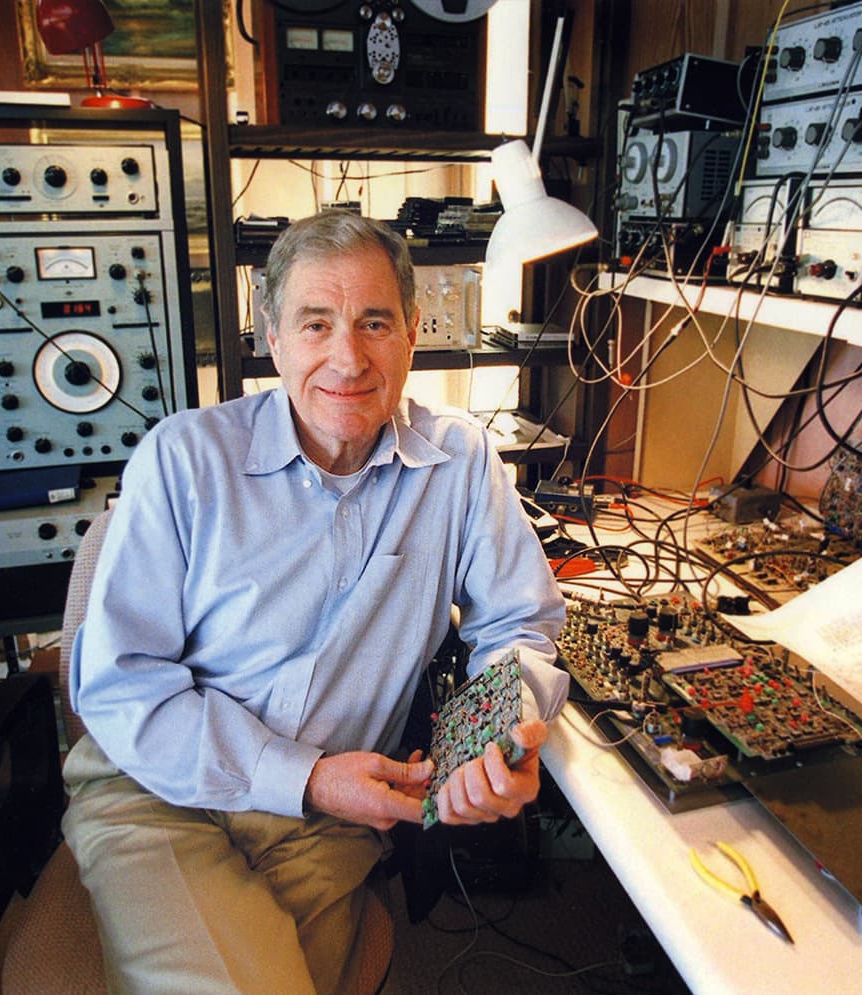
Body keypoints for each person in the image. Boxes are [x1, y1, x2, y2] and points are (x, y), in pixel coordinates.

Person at [62, 210, 569, 994]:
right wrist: (307, 775)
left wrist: (491, 730)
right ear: (273, 336)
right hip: (158, 790)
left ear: (411, 333)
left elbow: (520, 623)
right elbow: (122, 683)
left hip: (329, 823)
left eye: (375, 323)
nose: (348, 356)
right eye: (316, 323)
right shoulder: (185, 458)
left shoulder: (461, 463)